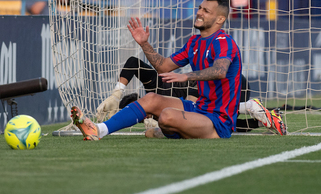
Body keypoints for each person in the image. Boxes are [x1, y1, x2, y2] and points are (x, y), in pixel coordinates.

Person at [70, 0, 269, 141]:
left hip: (219, 120)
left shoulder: (224, 41)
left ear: (220, 19)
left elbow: (220, 71)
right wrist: (144, 44)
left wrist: (186, 77)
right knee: (150, 99)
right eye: (200, 8)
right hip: (200, 109)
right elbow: (163, 66)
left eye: (206, 11)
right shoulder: (194, 42)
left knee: (166, 116)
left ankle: (173, 131)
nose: (199, 12)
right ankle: (99, 129)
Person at [96, 56, 285, 135]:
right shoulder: (157, 105)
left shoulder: (155, 85)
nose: (145, 116)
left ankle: (249, 107)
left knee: (199, 117)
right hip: (222, 92)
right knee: (214, 126)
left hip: (227, 83)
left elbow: (133, 62)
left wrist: (117, 94)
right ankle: (264, 119)